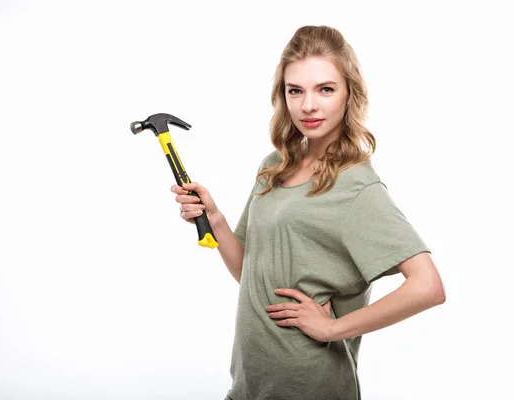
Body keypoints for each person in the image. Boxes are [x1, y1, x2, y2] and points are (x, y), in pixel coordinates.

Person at [171, 25, 445, 400]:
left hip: (311, 387)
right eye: (295, 90)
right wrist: (215, 219)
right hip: (251, 385)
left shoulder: (357, 187)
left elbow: (427, 286)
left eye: (325, 89)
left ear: (350, 93)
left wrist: (333, 329)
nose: (308, 105)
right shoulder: (275, 166)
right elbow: (252, 276)